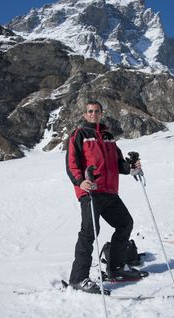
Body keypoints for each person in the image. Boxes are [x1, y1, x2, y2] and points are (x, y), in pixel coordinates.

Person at [66, 100, 144, 294]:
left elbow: (118, 164)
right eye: (90, 111)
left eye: (97, 111)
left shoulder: (109, 137)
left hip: (110, 192)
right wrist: (79, 182)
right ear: (85, 115)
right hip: (90, 191)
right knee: (90, 232)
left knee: (125, 223)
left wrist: (131, 168)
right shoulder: (79, 135)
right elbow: (72, 163)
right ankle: (78, 278)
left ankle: (115, 268)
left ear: (102, 113)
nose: (93, 114)